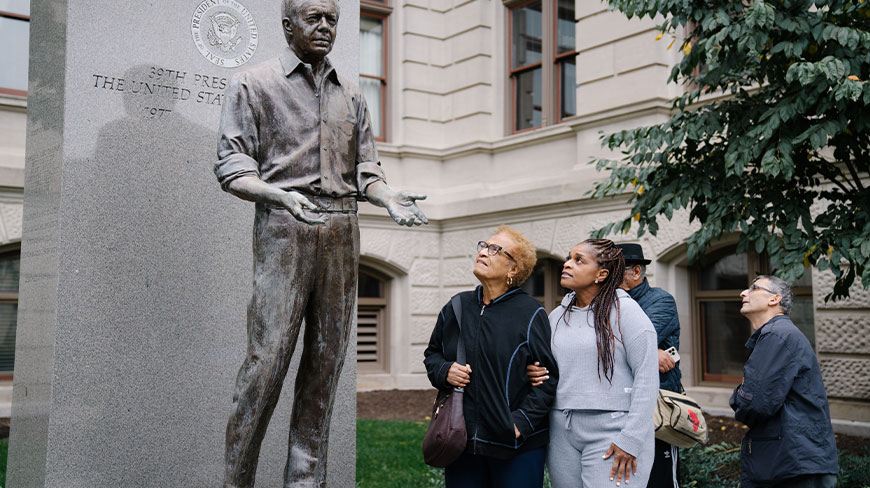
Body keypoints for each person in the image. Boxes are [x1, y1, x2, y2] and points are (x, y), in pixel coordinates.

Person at [213, 0, 427, 485]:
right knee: (265, 367)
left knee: (325, 367)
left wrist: (388, 195)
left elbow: (366, 170)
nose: (326, 26)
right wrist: (277, 195)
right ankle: (235, 480)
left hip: (341, 230)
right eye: (315, 18)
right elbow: (232, 165)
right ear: (288, 25)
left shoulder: (350, 94)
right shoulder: (252, 83)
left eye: (333, 18)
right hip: (284, 228)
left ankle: (306, 482)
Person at [423, 226, 559, 488]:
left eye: (495, 249)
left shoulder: (530, 312)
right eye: (484, 246)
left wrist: (521, 423)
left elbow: (547, 378)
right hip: (460, 441)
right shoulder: (456, 306)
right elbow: (432, 355)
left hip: (515, 445)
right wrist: (445, 371)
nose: (484, 252)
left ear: (514, 269)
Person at [532, 239, 659, 487]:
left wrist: (631, 439)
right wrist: (535, 370)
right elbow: (549, 365)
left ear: (601, 273)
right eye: (569, 258)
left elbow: (647, 378)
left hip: (613, 430)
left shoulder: (627, 311)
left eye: (579, 260)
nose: (567, 264)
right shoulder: (557, 316)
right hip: (561, 429)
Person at [730, 276, 838, 488]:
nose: (743, 293)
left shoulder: (777, 335)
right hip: (795, 462)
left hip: (793, 466)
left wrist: (738, 395)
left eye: (753, 288)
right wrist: (745, 390)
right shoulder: (778, 334)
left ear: (775, 299)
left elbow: (755, 404)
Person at [616, 243, 681, 488]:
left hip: (657, 408)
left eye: (616, 269)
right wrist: (651, 353)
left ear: (635, 272)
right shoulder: (606, 303)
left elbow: (629, 340)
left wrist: (646, 350)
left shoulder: (661, 301)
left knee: (659, 479)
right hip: (622, 407)